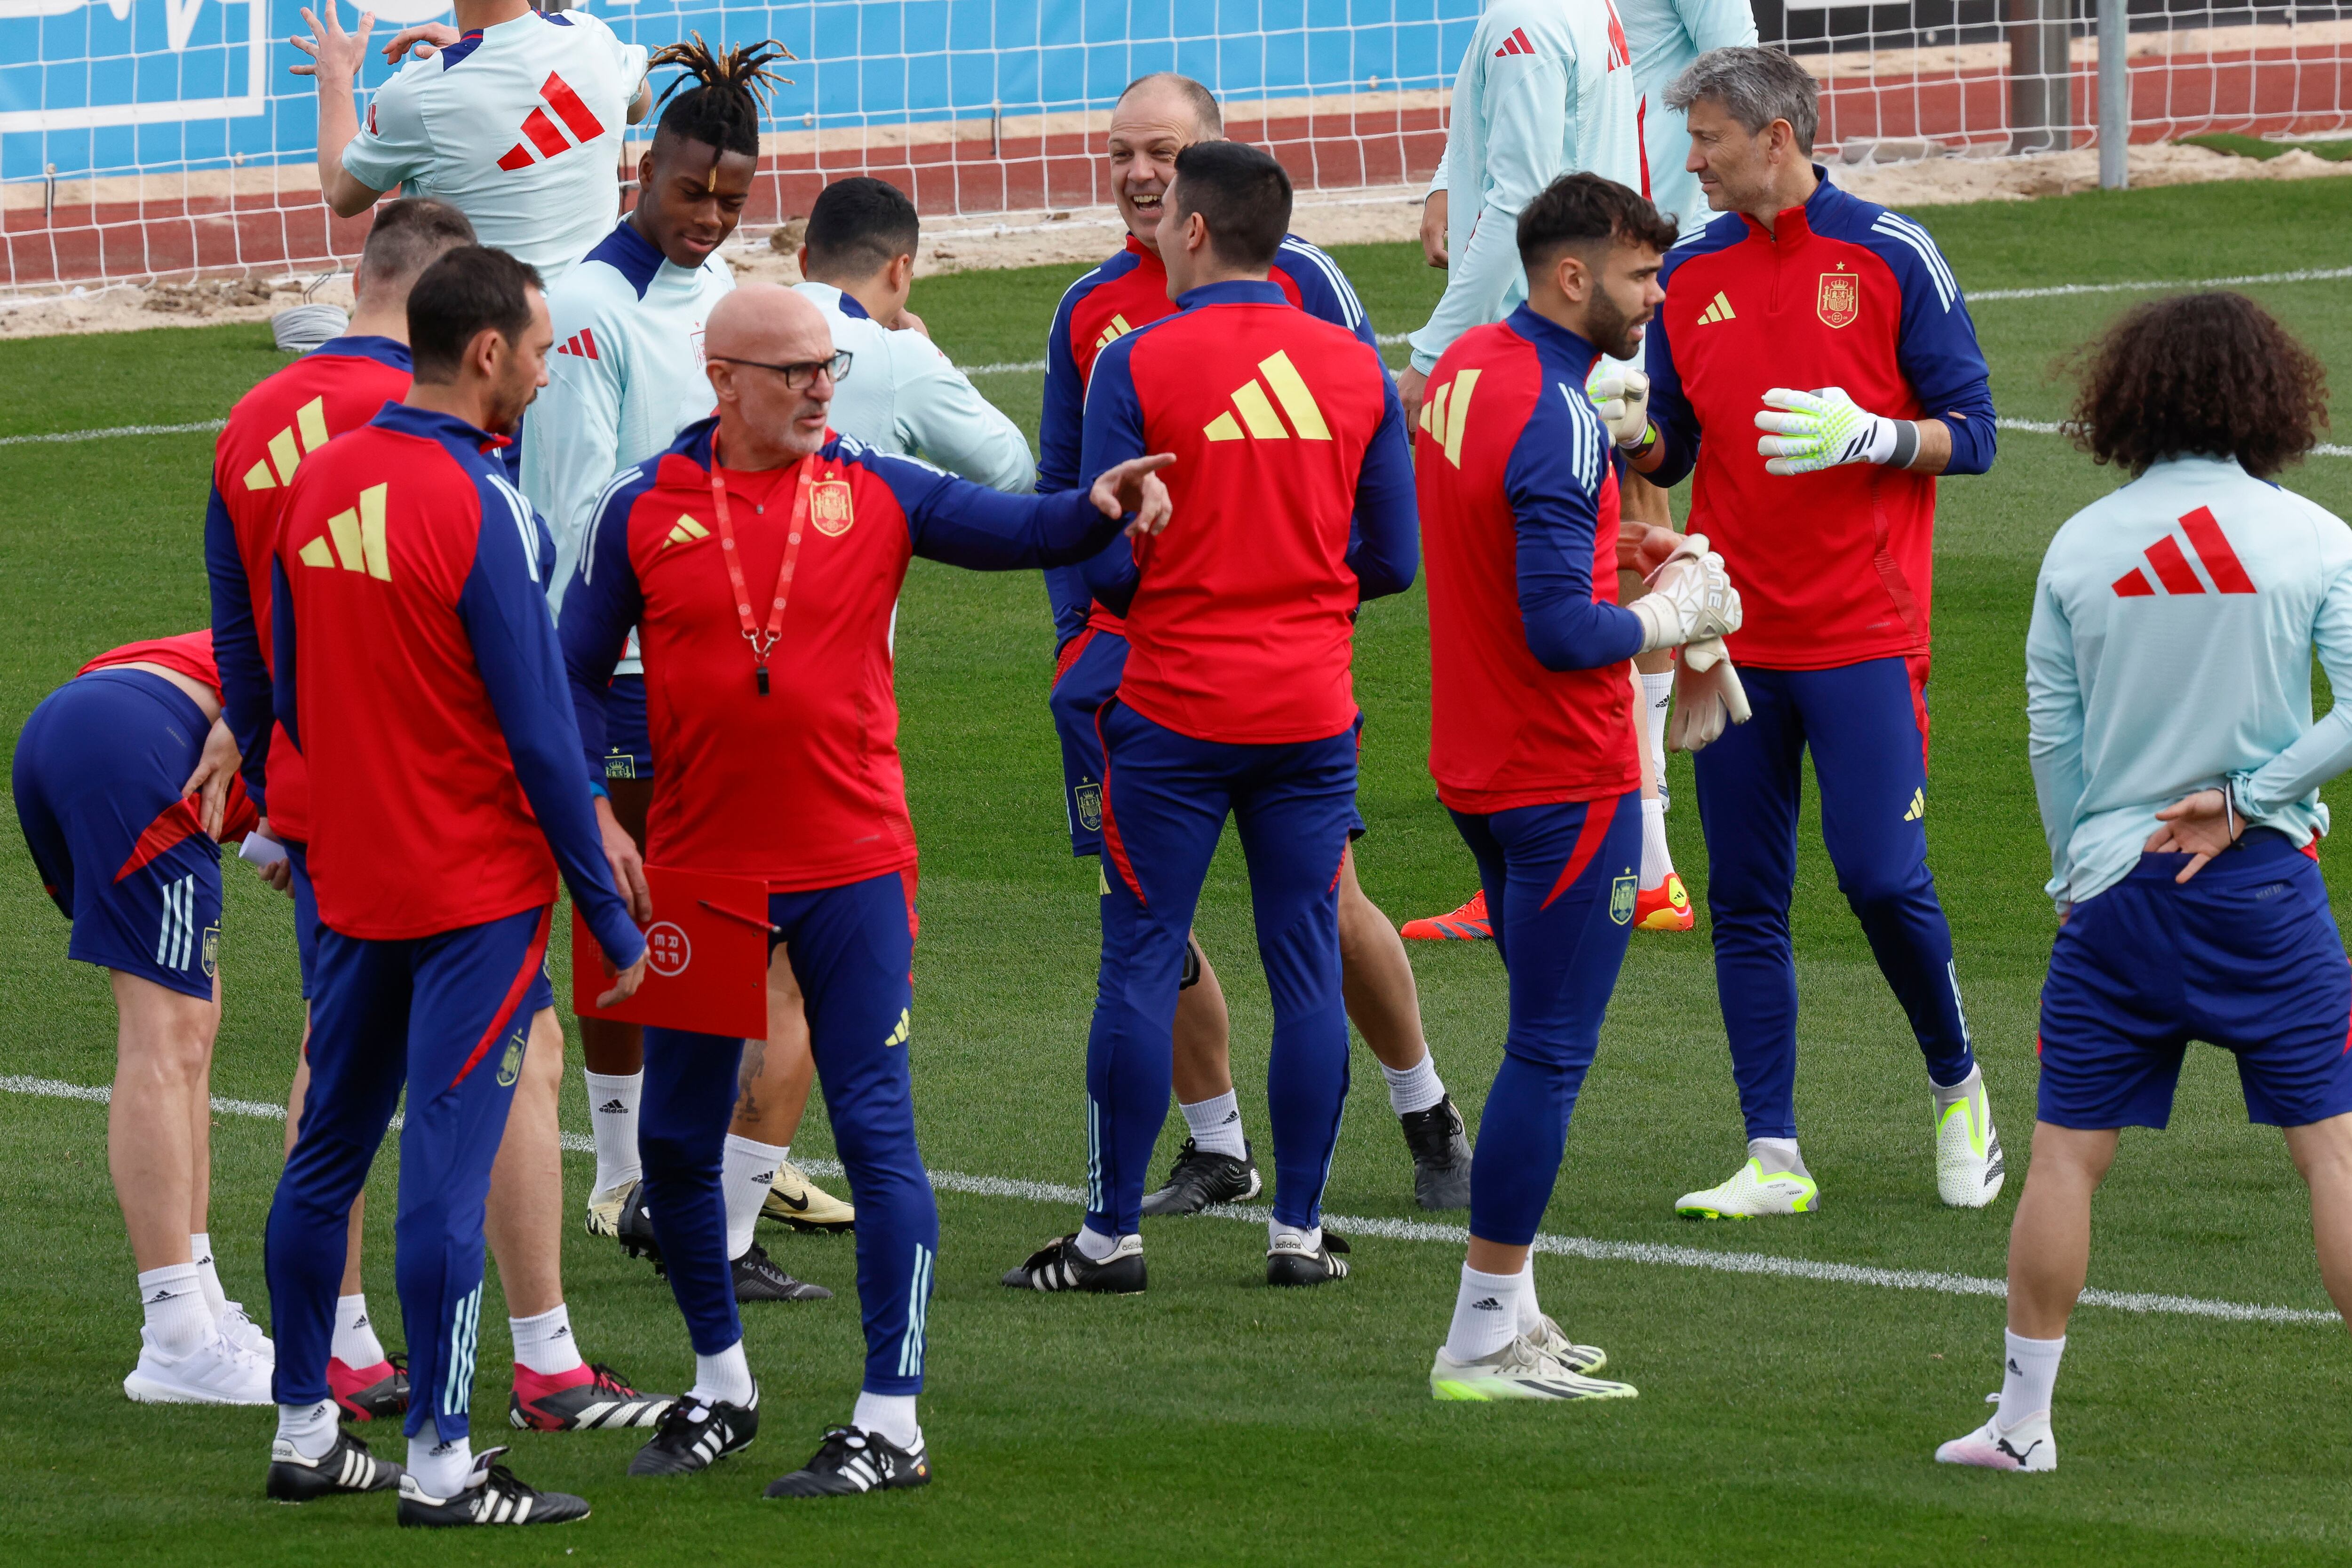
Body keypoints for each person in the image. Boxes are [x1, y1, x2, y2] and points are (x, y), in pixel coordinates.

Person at [560, 282, 1175, 1496]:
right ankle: (721, 1383)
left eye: (828, 370)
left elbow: (1029, 529)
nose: (820, 390)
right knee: (678, 1144)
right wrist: (587, 798)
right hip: (701, 870)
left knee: (880, 1135)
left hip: (852, 864)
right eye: (794, 373)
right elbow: (572, 666)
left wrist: (1099, 505)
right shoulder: (641, 508)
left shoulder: (878, 487)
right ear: (723, 377)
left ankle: (890, 1418)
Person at [209, 197, 670, 1435]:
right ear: (483, 353)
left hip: (341, 863)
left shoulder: (312, 475)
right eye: (536, 348)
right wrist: (609, 917)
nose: (544, 365)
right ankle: (447, 1451)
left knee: (325, 1153)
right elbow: (534, 731)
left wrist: (306, 798)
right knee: (451, 1170)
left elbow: (269, 678)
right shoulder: (488, 503)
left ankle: (306, 1426)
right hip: (466, 885)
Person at [1041, 70, 1471, 1217]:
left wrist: (1280, 589)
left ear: (1206, 173)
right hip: (1133, 665)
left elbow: (1346, 451)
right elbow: (1060, 496)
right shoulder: (1087, 311)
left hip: (1265, 653)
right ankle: (1220, 1144)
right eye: (1122, 149)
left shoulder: (1307, 284)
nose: (1139, 171)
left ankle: (1424, 1106)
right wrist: (1073, 641)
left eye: (1162, 153)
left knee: (1327, 901)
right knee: (1141, 919)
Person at [1940, 293, 2352, 1471]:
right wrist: (2246, 801)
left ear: (2126, 398)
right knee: (2331, 1150)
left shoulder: (2081, 543)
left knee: (2067, 1153)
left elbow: (2050, 734)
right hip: (2262, 890)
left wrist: (2079, 871)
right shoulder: (2313, 538)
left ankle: (2021, 1427)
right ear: (2272, 399)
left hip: (2115, 894)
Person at [1629, 46, 2003, 1218]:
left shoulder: (1890, 255)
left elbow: (1976, 430)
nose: (1690, 159)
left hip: (1862, 635)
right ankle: (1772, 1154)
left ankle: (1959, 1087)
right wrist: (1624, 428)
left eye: (1708, 139)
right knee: (1744, 894)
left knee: (1882, 879)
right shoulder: (1687, 274)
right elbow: (1672, 451)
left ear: (1774, 137)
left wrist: (1875, 437)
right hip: (1733, 637)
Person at [512, 34, 854, 1278]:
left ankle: (664, 1174)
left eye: (732, 198)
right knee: (652, 919)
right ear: (637, 168)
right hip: (626, 670)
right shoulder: (589, 309)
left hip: (718, 664)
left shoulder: (716, 307)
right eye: (689, 190)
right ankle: (634, 1176)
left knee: (693, 926)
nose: (709, 216)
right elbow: (577, 510)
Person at [1416, 174, 1741, 1401]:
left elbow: (1498, 546)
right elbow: (1561, 630)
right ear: (1573, 275)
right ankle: (1481, 1335)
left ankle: (1519, 1306)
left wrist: (1624, 548)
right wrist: (1668, 609)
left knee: (1532, 1040)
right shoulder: (1559, 412)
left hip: (1478, 758)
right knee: (1549, 1052)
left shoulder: (1463, 375)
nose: (1654, 298)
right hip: (1563, 769)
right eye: (1641, 277)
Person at [1398, 0, 1696, 942]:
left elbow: (1522, 189)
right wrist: (1452, 175)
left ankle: (1632, 860)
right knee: (1607, 553)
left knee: (1544, 581)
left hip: (1555, 325)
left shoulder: (1529, 16)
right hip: (1600, 301)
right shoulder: (1574, 6)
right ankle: (1638, 861)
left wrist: (1433, 352)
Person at [13, 631, 262, 1404]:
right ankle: (176, 1337)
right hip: (138, 747)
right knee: (168, 1034)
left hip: (77, 727)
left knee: (194, 1014)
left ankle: (202, 1298)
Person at [293, 0, 652, 288]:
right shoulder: (592, 36)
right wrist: (482, 47)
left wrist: (336, 77)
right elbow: (639, 105)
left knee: (371, 280)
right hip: (594, 322)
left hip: (486, 341)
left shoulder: (420, 96)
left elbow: (342, 193)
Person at [792, 175, 1035, 492]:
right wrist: (932, 358)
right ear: (899, 270)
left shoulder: (734, 321)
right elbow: (1012, 475)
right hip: (841, 537)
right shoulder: (899, 355)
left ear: (804, 259)